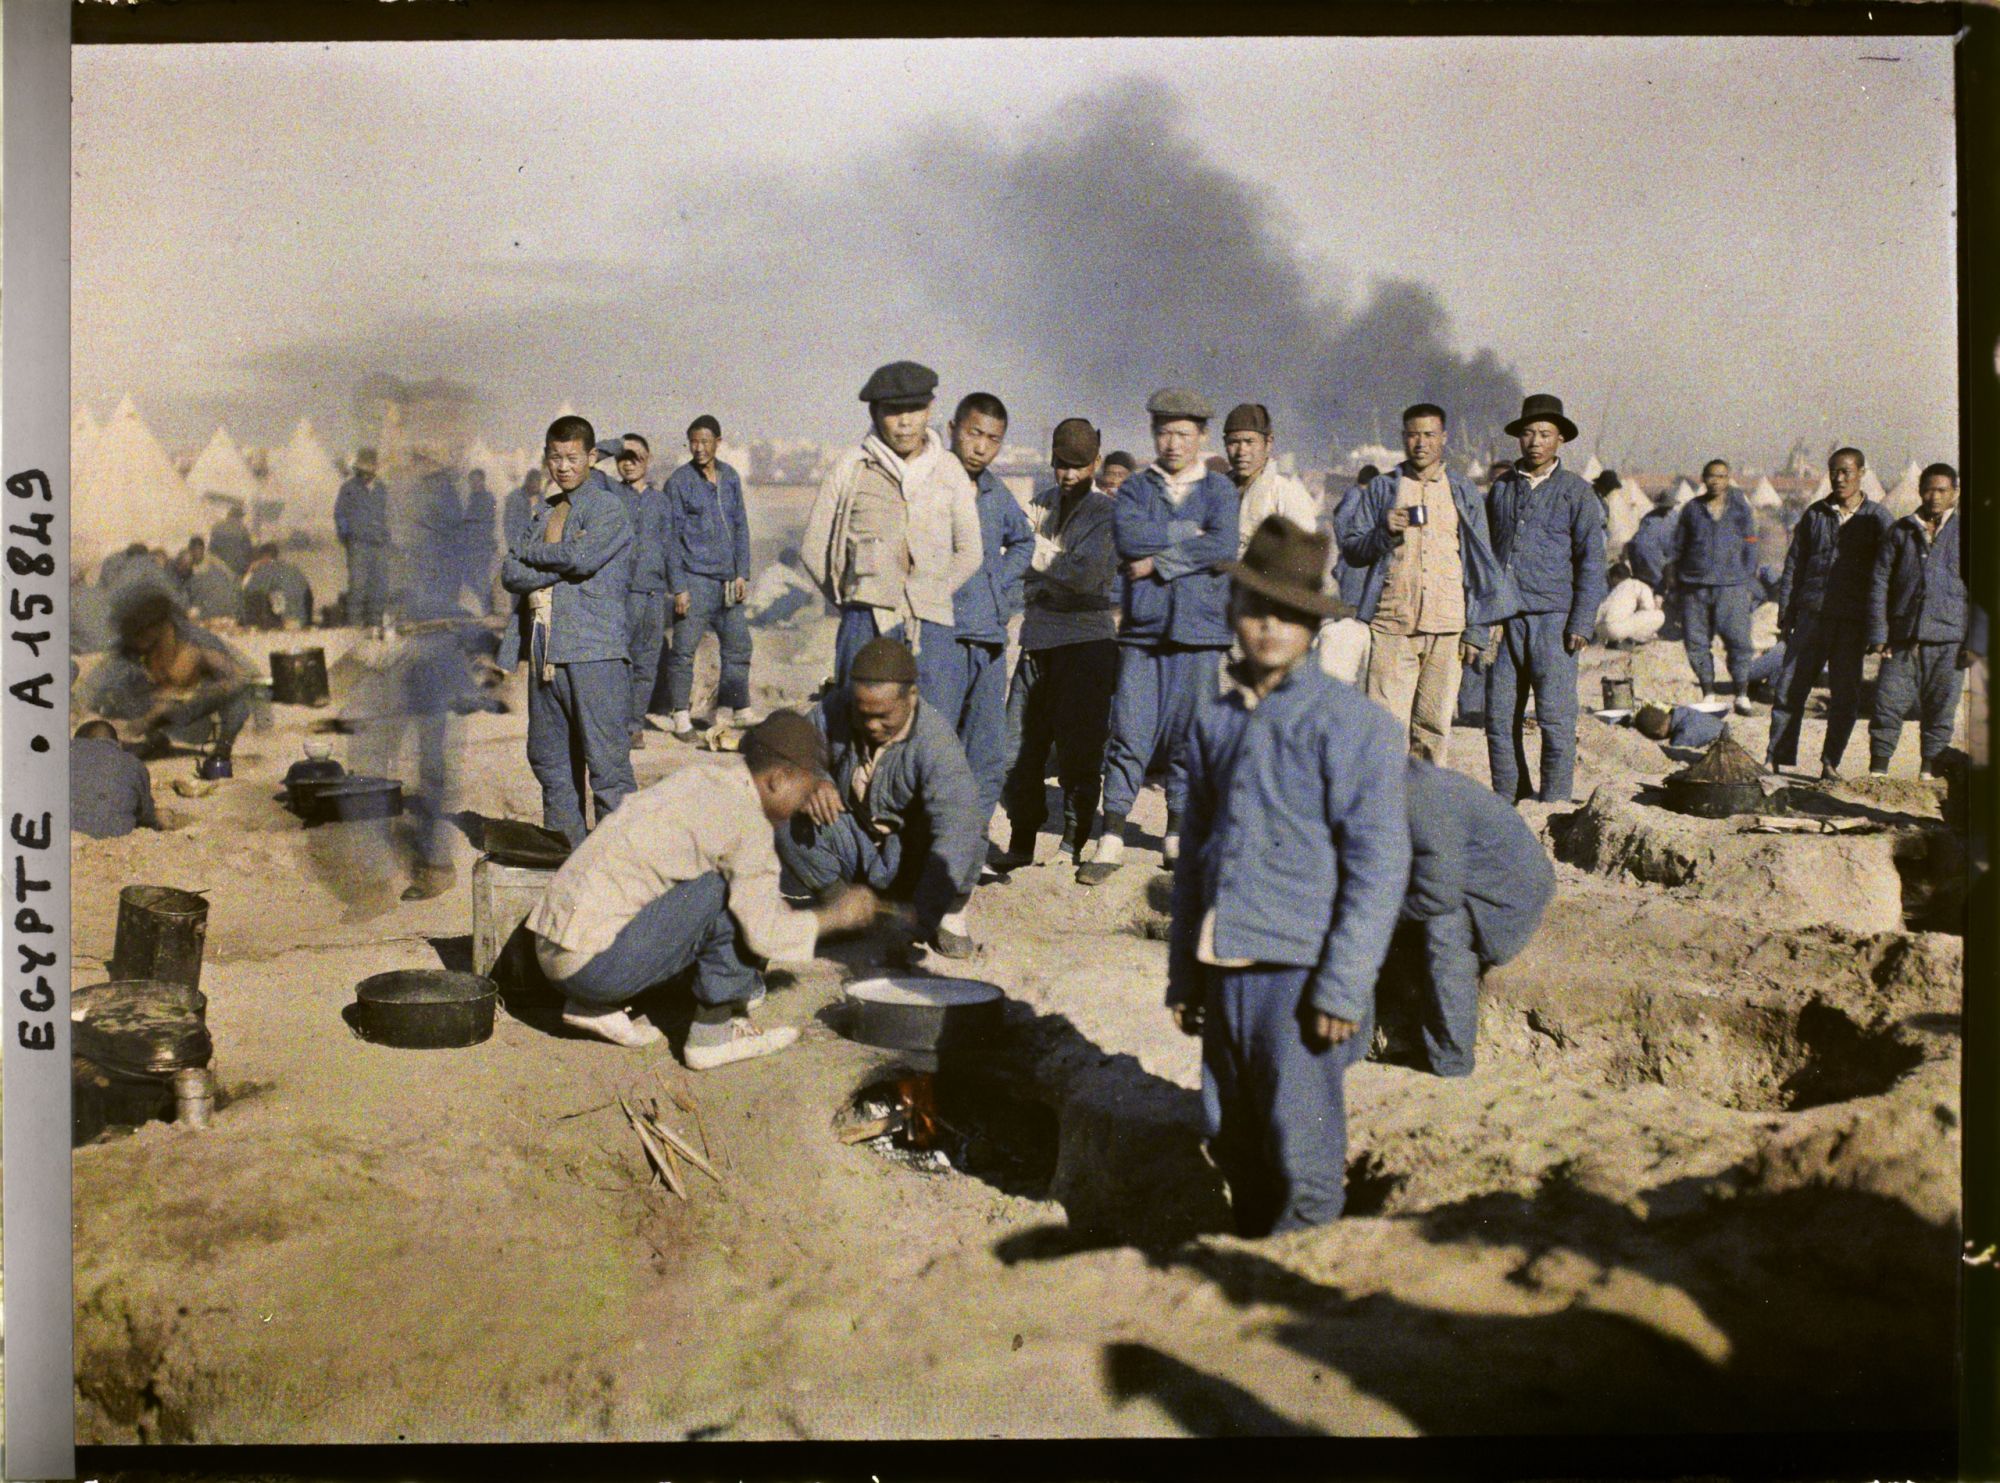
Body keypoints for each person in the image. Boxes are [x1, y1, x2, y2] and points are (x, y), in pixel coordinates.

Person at [1166, 516, 1409, 1236]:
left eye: (1290, 615)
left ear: (1312, 626)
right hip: (1226, 961)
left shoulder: (1353, 725)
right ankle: (1248, 1257)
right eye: (1256, 609)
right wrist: (1186, 972)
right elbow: (1195, 861)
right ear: (1235, 614)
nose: (1270, 627)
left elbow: (1378, 864)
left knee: (1300, 1145)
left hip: (1300, 973)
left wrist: (1342, 983)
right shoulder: (1215, 720)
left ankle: (1296, 1288)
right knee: (1227, 1127)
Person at [528, 711, 879, 1060]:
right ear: (779, 778)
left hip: (552, 951)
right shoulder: (748, 823)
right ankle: (712, 1036)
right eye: (802, 796)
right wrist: (834, 916)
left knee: (706, 889)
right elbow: (764, 932)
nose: (799, 809)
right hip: (591, 969)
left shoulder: (701, 778)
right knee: (729, 892)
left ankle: (593, 1005)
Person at [1078, 387, 1239, 885]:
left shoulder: (1220, 491)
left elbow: (1223, 543)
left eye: (1184, 434)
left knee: (1190, 739)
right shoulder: (1133, 490)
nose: (1173, 443)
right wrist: (1189, 537)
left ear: (1202, 437)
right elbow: (1129, 539)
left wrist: (1161, 561)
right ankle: (1112, 834)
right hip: (1144, 633)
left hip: (1201, 632)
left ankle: (1176, 833)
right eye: (1164, 432)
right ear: (1153, 433)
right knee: (1129, 731)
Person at [772, 637, 985, 961]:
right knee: (787, 810)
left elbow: (955, 837)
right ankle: (845, 909)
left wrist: (922, 919)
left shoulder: (935, 744)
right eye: (863, 714)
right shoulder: (836, 708)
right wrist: (814, 781)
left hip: (914, 860)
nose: (871, 725)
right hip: (861, 840)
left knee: (970, 830)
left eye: (883, 716)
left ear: (911, 697)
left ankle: (948, 913)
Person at [801, 360, 982, 703]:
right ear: (873, 413)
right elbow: (813, 550)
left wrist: (933, 592)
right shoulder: (851, 466)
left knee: (931, 721)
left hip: (931, 625)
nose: (904, 422)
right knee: (858, 722)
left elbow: (970, 551)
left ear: (929, 410)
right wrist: (854, 599)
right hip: (865, 622)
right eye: (892, 411)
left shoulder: (948, 469)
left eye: (914, 409)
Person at [1336, 403, 1507, 765]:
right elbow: (1352, 550)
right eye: (1413, 434)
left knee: (1433, 732)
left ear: (1444, 438)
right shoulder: (1383, 489)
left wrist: (1476, 629)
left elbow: (1478, 566)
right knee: (1385, 731)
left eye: (1429, 435)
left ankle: (1424, 814)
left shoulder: (1463, 493)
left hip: (1447, 629)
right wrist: (1383, 531)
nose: (1421, 443)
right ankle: (1386, 815)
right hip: (1392, 627)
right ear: (1403, 438)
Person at [498, 414, 637, 846]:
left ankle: (624, 873)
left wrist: (532, 555)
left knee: (608, 769)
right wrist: (550, 562)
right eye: (555, 458)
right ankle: (565, 859)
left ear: (592, 458)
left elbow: (582, 558)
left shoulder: (608, 508)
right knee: (551, 762)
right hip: (544, 652)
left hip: (594, 652)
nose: (563, 467)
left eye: (573, 458)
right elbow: (509, 572)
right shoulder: (544, 510)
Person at [997, 417, 1120, 867]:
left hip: (1087, 644)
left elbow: (1086, 576)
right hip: (1038, 641)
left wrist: (1039, 559)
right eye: (1060, 465)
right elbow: (1014, 561)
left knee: (1079, 753)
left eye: (1078, 466)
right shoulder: (1039, 504)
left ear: (1095, 463)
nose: (1067, 475)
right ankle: (1021, 841)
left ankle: (1072, 843)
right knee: (1018, 750)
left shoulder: (1106, 513)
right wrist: (1052, 574)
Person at [1391, 755, 1555, 1077]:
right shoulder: (1405, 782)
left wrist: (1387, 914)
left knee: (1443, 935)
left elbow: (1439, 895)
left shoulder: (1425, 801)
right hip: (1470, 876)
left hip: (1508, 895)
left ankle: (1452, 1061)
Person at [1484, 394, 1607, 804]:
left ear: (1559, 440)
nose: (1535, 441)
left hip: (1555, 622)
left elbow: (1592, 562)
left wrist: (1581, 622)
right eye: (1528, 433)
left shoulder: (1577, 493)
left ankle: (1553, 804)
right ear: (1519, 438)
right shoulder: (1501, 489)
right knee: (1499, 720)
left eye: (1545, 434)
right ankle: (1509, 800)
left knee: (1554, 720)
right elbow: (1484, 556)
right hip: (1506, 620)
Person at [1766, 447, 1896, 779]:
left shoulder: (1878, 520)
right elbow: (1794, 564)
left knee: (1845, 696)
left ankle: (1830, 763)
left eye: (1846, 472)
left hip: (1851, 623)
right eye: (1833, 471)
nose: (1839, 478)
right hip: (1811, 616)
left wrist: (1879, 627)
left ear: (1861, 472)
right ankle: (1777, 758)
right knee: (1790, 687)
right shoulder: (1815, 514)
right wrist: (1787, 611)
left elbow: (1888, 574)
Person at [941, 393, 1036, 837]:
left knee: (986, 749)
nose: (981, 446)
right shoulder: (931, 483)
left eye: (993, 439)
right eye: (973, 433)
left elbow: (1024, 541)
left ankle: (969, 843)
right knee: (938, 746)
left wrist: (998, 580)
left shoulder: (998, 493)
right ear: (952, 429)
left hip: (989, 637)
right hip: (941, 636)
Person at [1868, 463, 1969, 776]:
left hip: (1950, 640)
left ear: (1955, 493)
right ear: (1920, 490)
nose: (1934, 496)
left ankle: (1929, 773)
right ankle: (1878, 773)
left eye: (1942, 490)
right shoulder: (1902, 530)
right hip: (1902, 637)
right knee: (1887, 704)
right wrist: (1879, 632)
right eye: (1928, 489)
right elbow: (1879, 581)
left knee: (1940, 710)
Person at [77, 589, 255, 759]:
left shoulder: (195, 646)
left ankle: (221, 752)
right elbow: (101, 690)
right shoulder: (133, 654)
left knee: (238, 704)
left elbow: (241, 677)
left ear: (157, 627)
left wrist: (196, 695)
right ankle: (152, 743)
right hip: (153, 719)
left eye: (142, 632)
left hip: (193, 713)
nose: (136, 639)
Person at [664, 416, 756, 738]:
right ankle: (680, 716)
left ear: (718, 441)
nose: (699, 448)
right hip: (695, 580)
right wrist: (679, 587)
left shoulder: (730, 477)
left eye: (705, 441)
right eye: (693, 441)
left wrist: (742, 572)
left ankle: (738, 708)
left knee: (738, 646)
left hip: (729, 582)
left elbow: (741, 527)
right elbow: (670, 539)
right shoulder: (678, 482)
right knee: (684, 650)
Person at [1672, 459, 1760, 713]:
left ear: (1728, 478)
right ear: (1703, 479)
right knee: (1697, 642)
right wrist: (1677, 580)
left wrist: (1746, 578)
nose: (1716, 481)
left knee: (1739, 641)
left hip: (1731, 585)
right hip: (1695, 585)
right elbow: (1678, 546)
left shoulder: (1740, 509)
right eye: (1711, 476)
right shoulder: (1691, 509)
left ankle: (1742, 694)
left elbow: (1751, 545)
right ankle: (1708, 692)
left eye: (1721, 476)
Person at [605, 433, 671, 748]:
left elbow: (670, 546)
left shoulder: (661, 501)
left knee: (647, 662)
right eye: (623, 457)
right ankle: (615, 724)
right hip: (622, 594)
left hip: (654, 594)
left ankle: (634, 726)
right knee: (620, 660)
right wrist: (614, 445)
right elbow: (587, 470)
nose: (628, 463)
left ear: (649, 459)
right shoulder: (610, 494)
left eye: (636, 457)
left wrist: (680, 588)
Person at [1222, 403, 1317, 554]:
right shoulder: (1220, 487)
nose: (1241, 451)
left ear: (1268, 443)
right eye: (1234, 442)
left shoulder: (1285, 489)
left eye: (1249, 442)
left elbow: (1303, 552)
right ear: (1225, 443)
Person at [71, 719, 161, 839]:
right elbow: (147, 815)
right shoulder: (134, 763)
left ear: (78, 741)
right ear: (118, 744)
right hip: (113, 836)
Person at [334, 447, 392, 627]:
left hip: (379, 545)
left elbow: (389, 514)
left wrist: (387, 535)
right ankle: (355, 626)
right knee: (358, 587)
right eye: (362, 471)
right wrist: (348, 537)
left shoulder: (382, 489)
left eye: (368, 471)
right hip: (358, 544)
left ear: (374, 469)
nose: (365, 475)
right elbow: (340, 514)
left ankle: (375, 625)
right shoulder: (349, 488)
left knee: (379, 587)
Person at [241, 543, 314, 630]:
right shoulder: (291, 568)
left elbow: (244, 592)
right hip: (303, 617)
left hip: (281, 619)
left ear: (264, 557)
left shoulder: (263, 570)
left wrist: (251, 571)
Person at [460, 467, 499, 617]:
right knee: (470, 577)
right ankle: (487, 608)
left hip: (482, 545)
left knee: (480, 578)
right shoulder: (473, 498)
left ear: (483, 481)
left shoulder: (487, 498)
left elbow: (484, 522)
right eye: (472, 481)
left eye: (477, 480)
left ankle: (489, 611)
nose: (474, 484)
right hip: (472, 546)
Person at [177, 535, 244, 624]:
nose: (197, 553)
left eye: (199, 550)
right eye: (194, 550)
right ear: (190, 550)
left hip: (214, 603)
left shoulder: (214, 562)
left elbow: (230, 577)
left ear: (203, 550)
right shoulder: (188, 564)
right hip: (199, 603)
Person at [1633, 700, 1727, 751]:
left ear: (1658, 732)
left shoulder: (1681, 737)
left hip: (1724, 746)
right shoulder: (1683, 712)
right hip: (1723, 728)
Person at [208, 501, 254, 576]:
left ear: (228, 515)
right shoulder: (242, 529)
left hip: (219, 568)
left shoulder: (217, 526)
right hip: (237, 568)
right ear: (239, 517)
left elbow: (212, 549)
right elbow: (248, 550)